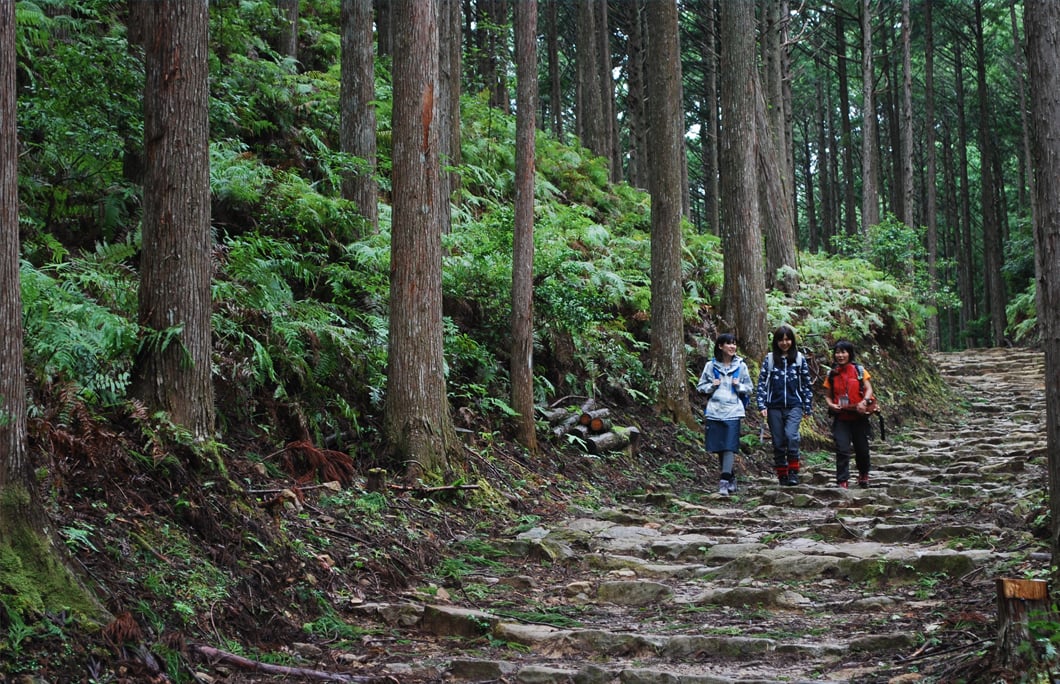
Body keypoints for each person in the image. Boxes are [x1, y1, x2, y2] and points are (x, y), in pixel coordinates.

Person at [755, 325, 813, 486]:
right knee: (778, 441)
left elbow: (806, 384)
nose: (784, 342)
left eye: (787, 339)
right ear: (776, 341)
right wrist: (761, 404)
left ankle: (794, 472)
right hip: (774, 405)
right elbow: (762, 383)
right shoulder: (771, 359)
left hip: (795, 404)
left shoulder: (799, 358)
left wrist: (807, 406)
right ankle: (782, 474)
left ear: (792, 341)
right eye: (781, 339)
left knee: (791, 436)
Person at [696, 333, 752, 496]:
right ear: (720, 346)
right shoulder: (710, 366)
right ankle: (731, 477)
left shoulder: (741, 366)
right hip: (715, 410)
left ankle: (724, 481)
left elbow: (749, 387)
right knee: (720, 447)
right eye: (729, 344)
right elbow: (700, 386)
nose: (732, 347)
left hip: (733, 410)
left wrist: (739, 386)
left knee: (729, 446)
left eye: (734, 344)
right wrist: (711, 386)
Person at [822, 340, 876, 488]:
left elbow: (869, 389)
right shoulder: (832, 374)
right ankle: (842, 480)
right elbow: (827, 394)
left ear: (849, 353)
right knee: (842, 448)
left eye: (843, 352)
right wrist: (831, 405)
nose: (840, 355)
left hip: (859, 416)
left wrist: (864, 401)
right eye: (837, 352)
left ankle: (863, 474)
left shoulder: (859, 370)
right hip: (841, 417)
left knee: (862, 449)